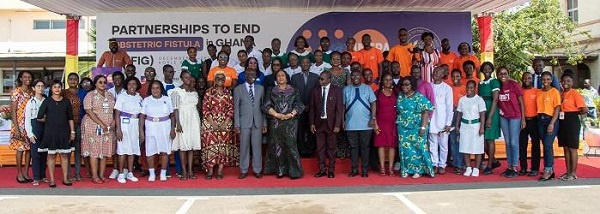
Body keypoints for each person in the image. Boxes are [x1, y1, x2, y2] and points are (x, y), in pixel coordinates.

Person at [263, 70, 305, 179]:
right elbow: (266, 106)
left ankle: (294, 171)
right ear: (275, 78)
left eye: (283, 75)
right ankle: (280, 170)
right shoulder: (271, 90)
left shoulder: (294, 90)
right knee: (277, 146)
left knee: (291, 146)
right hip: (276, 122)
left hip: (291, 122)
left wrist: (291, 114)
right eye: (278, 76)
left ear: (287, 77)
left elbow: (299, 104)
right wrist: (277, 115)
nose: (281, 77)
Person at [36, 80, 75, 188]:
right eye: (54, 87)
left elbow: (70, 118)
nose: (57, 89)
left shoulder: (66, 102)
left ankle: (65, 178)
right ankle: (52, 180)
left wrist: (72, 132)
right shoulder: (47, 101)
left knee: (64, 156)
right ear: (51, 89)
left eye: (59, 87)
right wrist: (50, 120)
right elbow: (39, 117)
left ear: (61, 88)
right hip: (50, 133)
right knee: (51, 156)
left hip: (64, 132)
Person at [396, 77, 434, 178]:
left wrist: (423, 127)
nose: (405, 86)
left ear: (412, 85)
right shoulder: (400, 96)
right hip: (403, 126)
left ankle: (419, 170)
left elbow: (425, 111)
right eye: (403, 84)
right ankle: (406, 169)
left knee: (418, 148)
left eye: (407, 84)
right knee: (405, 148)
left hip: (417, 126)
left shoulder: (419, 97)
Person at [81, 75, 116, 184]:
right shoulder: (90, 95)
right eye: (100, 82)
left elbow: (114, 111)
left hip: (108, 127)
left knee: (104, 151)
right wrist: (101, 124)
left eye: (104, 82)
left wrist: (112, 123)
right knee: (95, 151)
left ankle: (101, 175)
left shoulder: (110, 95)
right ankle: (95, 176)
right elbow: (89, 111)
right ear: (95, 84)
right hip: (93, 126)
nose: (102, 84)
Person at [201, 73, 236, 180]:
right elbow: (205, 110)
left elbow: (231, 109)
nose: (220, 80)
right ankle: (210, 170)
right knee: (209, 145)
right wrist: (213, 123)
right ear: (214, 80)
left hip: (225, 122)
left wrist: (225, 123)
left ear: (225, 80)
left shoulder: (228, 92)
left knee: (223, 147)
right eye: (218, 78)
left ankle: (220, 170)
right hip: (210, 122)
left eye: (222, 78)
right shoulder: (208, 92)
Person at [140, 80, 175, 182]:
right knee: (151, 151)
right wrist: (141, 132)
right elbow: (142, 116)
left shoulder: (167, 99)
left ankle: (163, 173)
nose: (155, 90)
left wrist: (173, 129)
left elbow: (172, 116)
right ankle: (152, 173)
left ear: (161, 89)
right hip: (151, 127)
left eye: (157, 88)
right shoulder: (146, 100)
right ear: (150, 90)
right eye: (153, 88)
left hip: (165, 127)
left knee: (165, 151)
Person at [310, 71, 343, 178]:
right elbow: (312, 109)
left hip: (332, 124)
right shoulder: (315, 90)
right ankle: (322, 169)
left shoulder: (337, 90)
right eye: (319, 78)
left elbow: (339, 109)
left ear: (329, 79)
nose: (320, 80)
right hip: (319, 123)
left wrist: (338, 124)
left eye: (322, 79)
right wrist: (311, 123)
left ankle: (331, 170)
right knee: (320, 148)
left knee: (331, 148)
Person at [344, 70, 377, 177]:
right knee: (353, 148)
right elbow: (342, 107)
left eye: (357, 75)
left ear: (361, 76)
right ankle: (354, 169)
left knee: (365, 147)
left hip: (366, 124)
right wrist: (342, 121)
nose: (355, 77)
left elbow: (373, 103)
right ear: (350, 78)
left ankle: (364, 170)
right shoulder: (346, 90)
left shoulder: (367, 88)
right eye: (353, 75)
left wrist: (373, 118)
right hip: (350, 124)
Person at [234, 69, 267, 179]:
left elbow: (263, 108)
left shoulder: (261, 88)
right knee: (244, 147)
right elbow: (236, 109)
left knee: (257, 147)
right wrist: (237, 125)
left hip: (257, 122)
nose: (252, 76)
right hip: (244, 123)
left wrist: (264, 123)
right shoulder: (238, 89)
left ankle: (257, 170)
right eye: (250, 74)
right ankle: (243, 170)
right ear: (245, 76)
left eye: (254, 74)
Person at [171, 71, 202, 180]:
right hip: (182, 121)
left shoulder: (194, 92)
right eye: (185, 77)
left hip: (193, 121)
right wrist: (177, 124)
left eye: (189, 77)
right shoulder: (176, 91)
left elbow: (197, 108)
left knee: (191, 147)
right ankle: (184, 171)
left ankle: (190, 171)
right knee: (183, 147)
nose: (188, 79)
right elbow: (175, 109)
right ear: (181, 78)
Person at [496, 66, 525, 178]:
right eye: (500, 74)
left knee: (513, 142)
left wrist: (523, 118)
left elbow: (521, 102)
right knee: (507, 142)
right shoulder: (498, 86)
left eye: (505, 73)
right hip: (504, 117)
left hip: (515, 116)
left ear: (508, 74)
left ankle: (515, 166)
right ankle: (509, 166)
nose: (503, 76)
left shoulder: (514, 85)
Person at [558, 73, 588, 181]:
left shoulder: (575, 93)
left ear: (572, 82)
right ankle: (568, 171)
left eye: (568, 81)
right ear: (560, 82)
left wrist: (574, 113)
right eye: (563, 81)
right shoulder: (561, 94)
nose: (565, 83)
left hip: (572, 121)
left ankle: (573, 173)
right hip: (562, 121)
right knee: (565, 148)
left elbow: (585, 109)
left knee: (572, 148)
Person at [113, 76, 143, 184]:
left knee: (132, 150)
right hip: (124, 124)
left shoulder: (139, 98)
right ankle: (121, 174)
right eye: (130, 84)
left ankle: (130, 173)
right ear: (126, 85)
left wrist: (140, 131)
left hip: (135, 125)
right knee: (122, 150)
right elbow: (117, 113)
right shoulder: (122, 96)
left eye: (134, 84)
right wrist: (118, 129)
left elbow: (141, 115)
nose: (132, 86)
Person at [456, 80, 486, 177]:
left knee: (477, 147)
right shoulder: (462, 100)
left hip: (475, 125)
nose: (469, 89)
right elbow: (459, 113)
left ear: (475, 88)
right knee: (465, 147)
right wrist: (457, 125)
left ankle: (476, 168)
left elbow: (482, 114)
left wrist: (482, 127)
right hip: (465, 125)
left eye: (471, 87)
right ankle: (468, 167)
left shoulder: (479, 100)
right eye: (468, 87)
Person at [291, 57, 319, 157]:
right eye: (303, 62)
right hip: (299, 108)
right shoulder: (294, 77)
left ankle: (310, 150)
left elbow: (317, 93)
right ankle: (302, 150)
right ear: (300, 64)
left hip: (312, 108)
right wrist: (301, 106)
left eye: (307, 62)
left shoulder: (316, 77)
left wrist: (310, 105)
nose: (305, 64)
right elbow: (293, 93)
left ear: (310, 64)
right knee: (300, 130)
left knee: (312, 130)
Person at [536, 71, 561, 181]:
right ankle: (550, 168)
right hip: (540, 120)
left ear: (551, 80)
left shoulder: (554, 91)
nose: (545, 81)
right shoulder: (539, 92)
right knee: (546, 145)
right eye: (543, 79)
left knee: (547, 144)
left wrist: (552, 123)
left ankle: (548, 169)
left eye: (547, 79)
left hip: (551, 120)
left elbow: (557, 108)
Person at [429, 67, 453, 175]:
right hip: (431, 119)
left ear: (443, 74)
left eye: (438, 72)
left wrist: (448, 123)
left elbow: (449, 107)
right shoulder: (429, 86)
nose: (435, 73)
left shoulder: (447, 88)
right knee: (432, 143)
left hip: (443, 120)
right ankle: (434, 164)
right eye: (434, 72)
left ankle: (442, 164)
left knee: (443, 145)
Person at [10, 70, 34, 183]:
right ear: (20, 79)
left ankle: (26, 172)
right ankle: (19, 173)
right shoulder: (16, 92)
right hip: (19, 125)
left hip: (30, 125)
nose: (27, 79)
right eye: (25, 77)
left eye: (29, 77)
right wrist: (17, 129)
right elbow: (13, 111)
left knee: (29, 150)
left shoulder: (33, 92)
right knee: (20, 149)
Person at [478, 62, 501, 175]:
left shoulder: (494, 82)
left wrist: (490, 117)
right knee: (482, 140)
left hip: (491, 111)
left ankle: (490, 164)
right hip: (482, 112)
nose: (486, 70)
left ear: (492, 70)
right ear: (482, 70)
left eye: (489, 68)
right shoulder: (480, 83)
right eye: (484, 68)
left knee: (490, 139)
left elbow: (495, 99)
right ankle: (494, 160)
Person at [373, 73, 397, 176]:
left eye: (390, 79)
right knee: (381, 145)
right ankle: (382, 168)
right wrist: (375, 124)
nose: (388, 81)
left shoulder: (397, 92)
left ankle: (390, 168)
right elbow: (374, 110)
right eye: (386, 80)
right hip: (381, 122)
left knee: (392, 145)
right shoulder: (377, 93)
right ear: (382, 81)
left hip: (393, 122)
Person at [24, 79, 47, 186]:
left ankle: (43, 175)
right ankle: (36, 177)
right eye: (38, 86)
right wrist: (30, 134)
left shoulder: (47, 101)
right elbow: (27, 119)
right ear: (33, 88)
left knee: (44, 153)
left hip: (46, 128)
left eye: (42, 86)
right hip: (35, 128)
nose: (40, 88)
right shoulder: (30, 102)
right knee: (35, 154)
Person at [519, 72, 541, 177]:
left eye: (529, 78)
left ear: (532, 79)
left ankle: (535, 168)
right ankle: (523, 168)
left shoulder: (537, 91)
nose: (527, 80)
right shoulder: (520, 91)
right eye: (524, 78)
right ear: (522, 79)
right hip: (522, 121)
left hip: (534, 121)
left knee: (535, 146)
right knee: (522, 145)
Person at [63, 73, 83, 181]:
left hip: (79, 124)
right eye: (70, 79)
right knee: (67, 150)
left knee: (77, 150)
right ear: (67, 80)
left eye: (75, 79)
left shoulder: (82, 92)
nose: (73, 81)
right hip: (66, 125)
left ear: (78, 81)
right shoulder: (63, 93)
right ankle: (68, 173)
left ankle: (78, 173)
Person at [449, 69, 466, 174]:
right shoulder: (449, 89)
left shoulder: (465, 88)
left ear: (461, 77)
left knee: (463, 141)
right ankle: (457, 164)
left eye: (458, 76)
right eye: (453, 76)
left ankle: (463, 163)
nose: (455, 78)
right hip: (451, 115)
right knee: (454, 141)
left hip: (463, 115)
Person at [78, 77, 94, 178]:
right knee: (85, 148)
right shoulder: (79, 93)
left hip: (96, 124)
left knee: (95, 148)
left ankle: (95, 170)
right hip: (82, 123)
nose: (86, 84)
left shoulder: (96, 93)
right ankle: (88, 170)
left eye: (88, 82)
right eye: (84, 82)